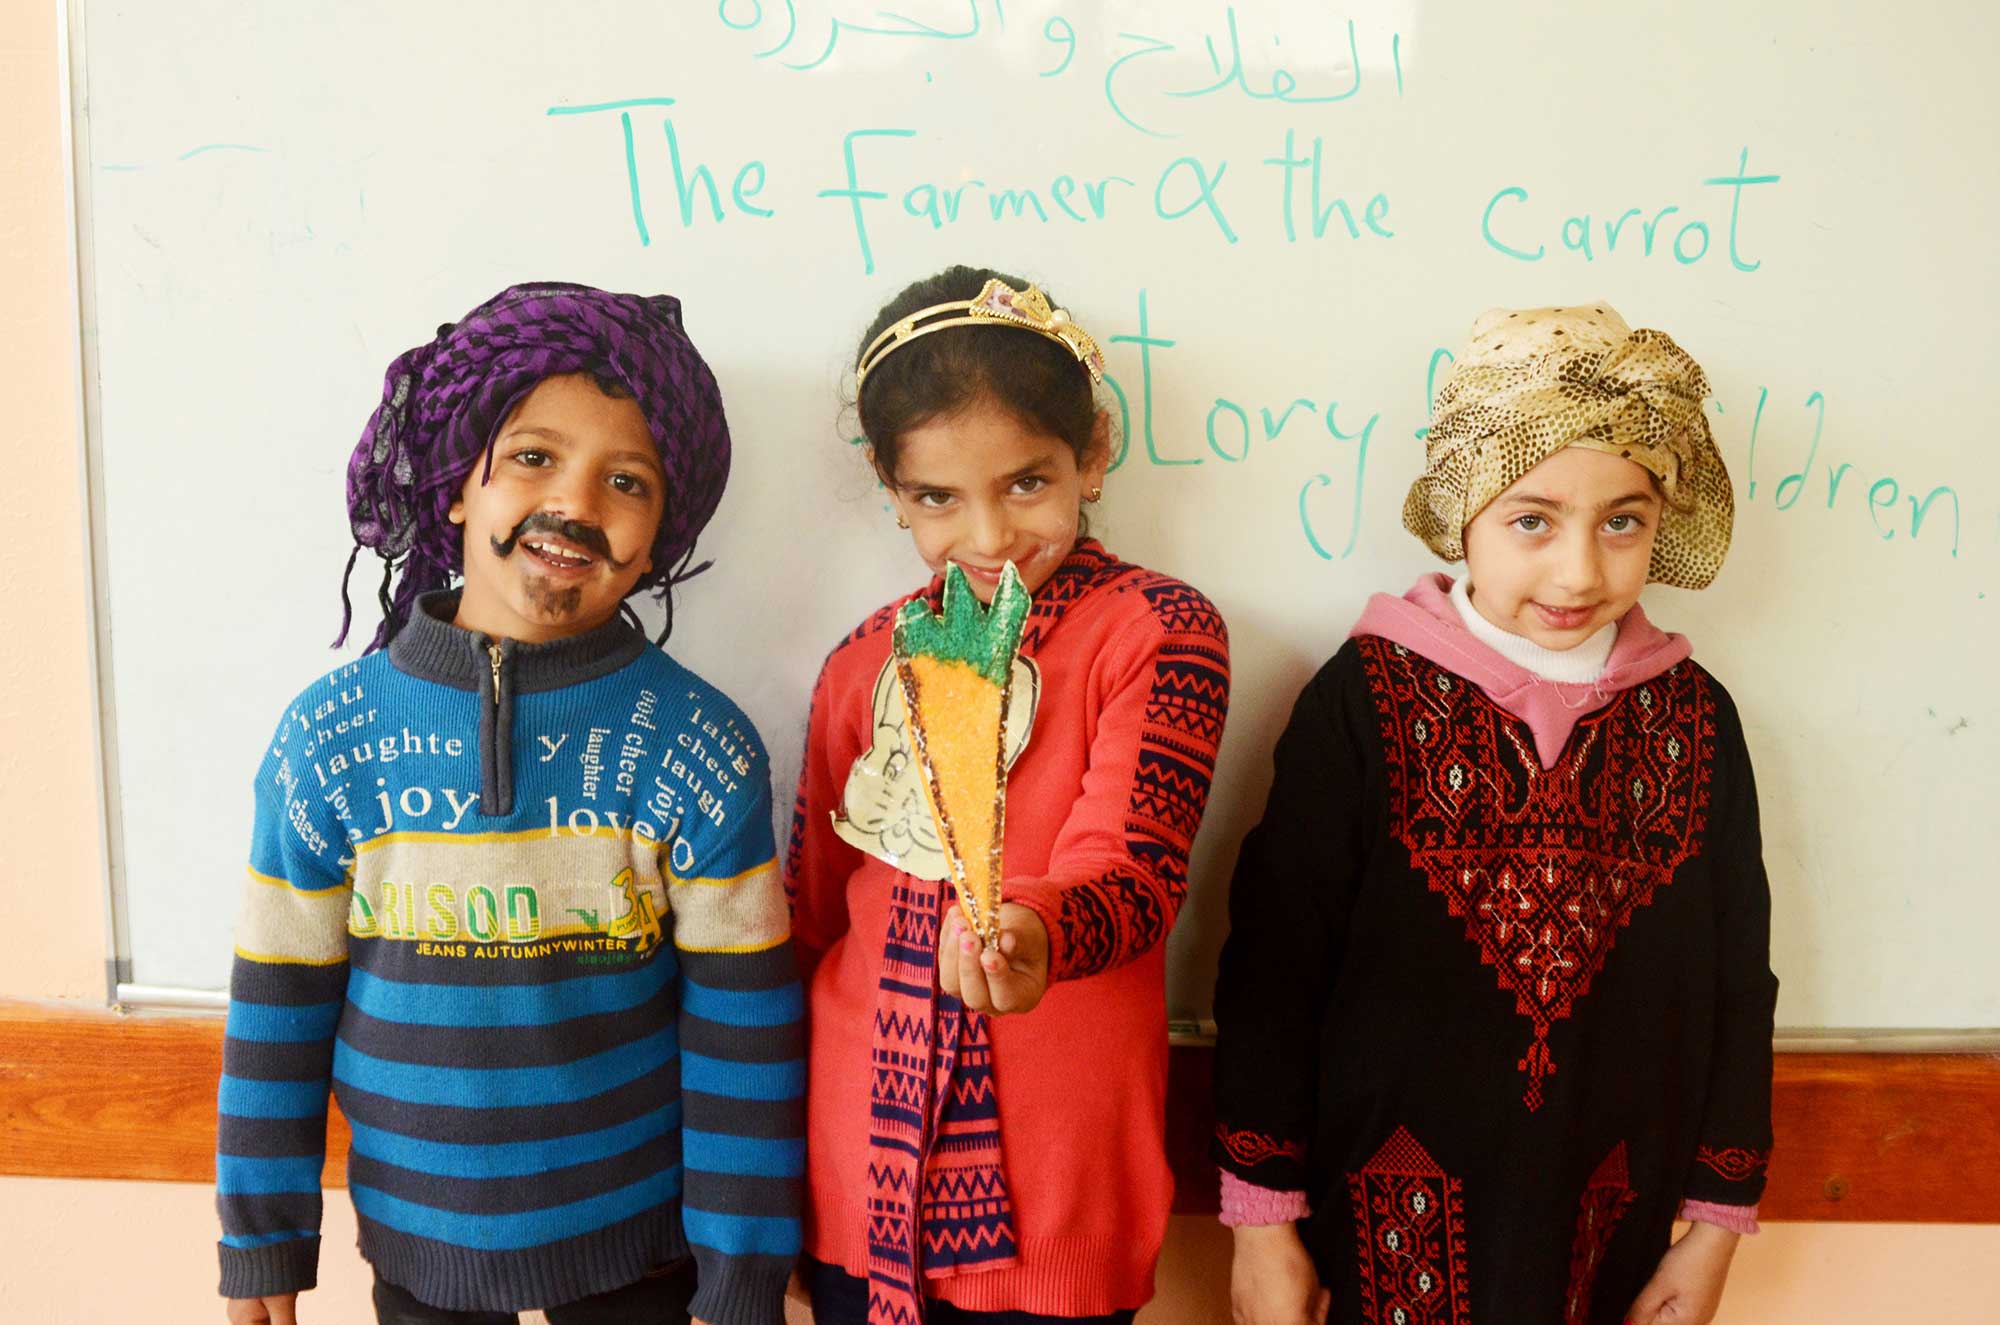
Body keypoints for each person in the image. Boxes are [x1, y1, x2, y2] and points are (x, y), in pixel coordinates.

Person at [215, 282, 802, 1325]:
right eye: (531, 457)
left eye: (625, 479)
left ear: (662, 531)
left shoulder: (697, 747)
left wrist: (741, 1271)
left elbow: (742, 1030)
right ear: (455, 485)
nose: (572, 503)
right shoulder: (330, 738)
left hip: (640, 1252)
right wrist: (263, 1238)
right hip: (414, 1246)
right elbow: (278, 1007)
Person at [1212, 304, 1775, 1325]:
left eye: (1623, 519)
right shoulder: (1363, 699)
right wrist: (1260, 1222)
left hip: (1611, 1216)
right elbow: (1273, 966)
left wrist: (1712, 1227)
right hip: (1380, 1217)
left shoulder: (1693, 719)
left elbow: (1737, 978)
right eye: (1531, 518)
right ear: (1460, 508)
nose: (1577, 569)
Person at [785, 266, 1232, 1324]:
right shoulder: (862, 662)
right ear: (891, 492)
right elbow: (812, 914)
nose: (988, 536)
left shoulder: (1155, 631)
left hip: (1057, 1187)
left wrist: (1035, 926)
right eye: (937, 497)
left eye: (1025, 482)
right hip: (856, 1176)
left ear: (1092, 452)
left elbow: (1134, 865)